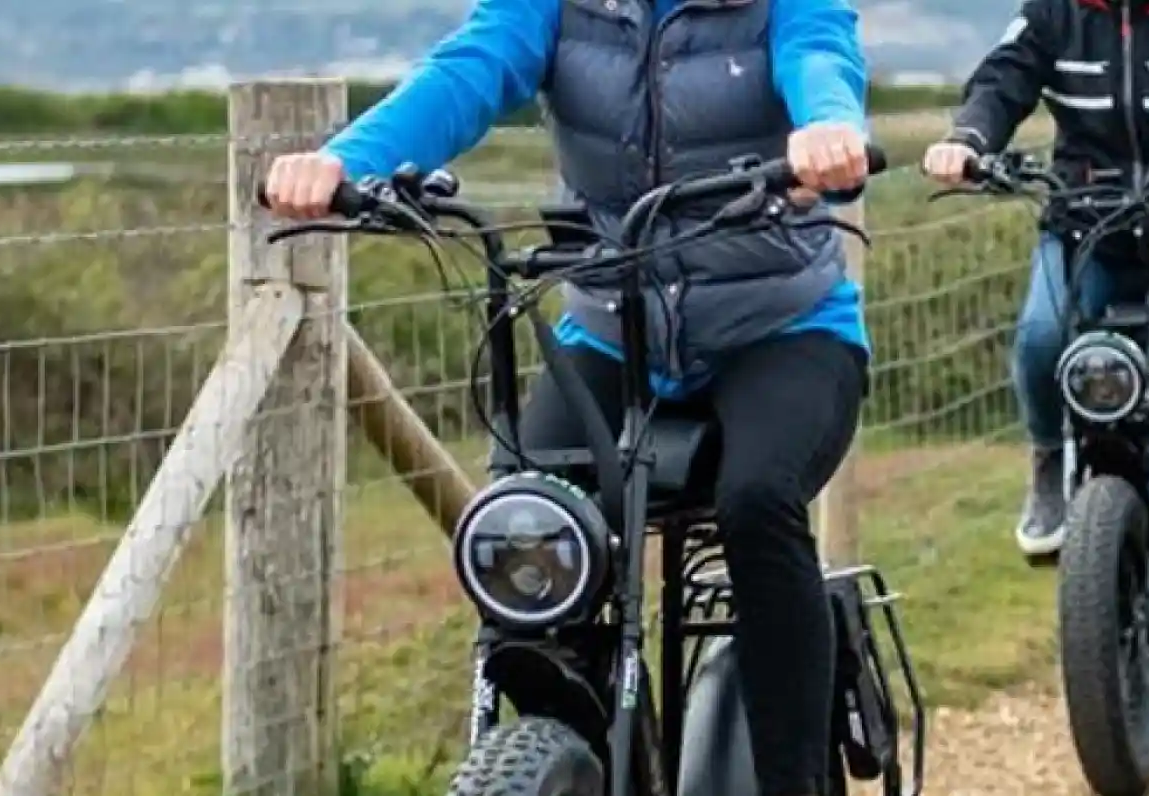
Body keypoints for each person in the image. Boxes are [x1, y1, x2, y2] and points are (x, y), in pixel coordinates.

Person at [257, 0, 872, 791]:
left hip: (782, 327)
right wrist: (346, 161)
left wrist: (827, 129)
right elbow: (466, 73)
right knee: (527, 520)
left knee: (756, 500)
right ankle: (577, 759)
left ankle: (792, 781)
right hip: (614, 328)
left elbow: (819, 59)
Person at [921, 0, 1149, 646]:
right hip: (1084, 225)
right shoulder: (1055, 12)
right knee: (1041, 338)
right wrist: (967, 140)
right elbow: (1003, 78)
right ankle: (1048, 464)